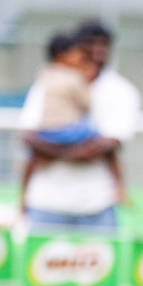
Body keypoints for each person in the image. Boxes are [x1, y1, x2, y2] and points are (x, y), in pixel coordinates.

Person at [17, 20, 141, 286]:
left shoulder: (120, 91)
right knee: (35, 282)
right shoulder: (52, 79)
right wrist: (79, 151)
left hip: (98, 201)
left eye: (103, 44)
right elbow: (29, 136)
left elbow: (112, 143)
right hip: (47, 198)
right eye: (89, 45)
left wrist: (56, 150)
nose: (96, 51)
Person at [21, 34, 123, 205]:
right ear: (63, 56)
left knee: (33, 157)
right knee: (95, 132)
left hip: (46, 132)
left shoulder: (45, 76)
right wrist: (74, 153)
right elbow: (86, 103)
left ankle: (25, 192)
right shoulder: (73, 78)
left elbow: (29, 133)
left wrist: (53, 153)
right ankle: (119, 187)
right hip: (66, 131)